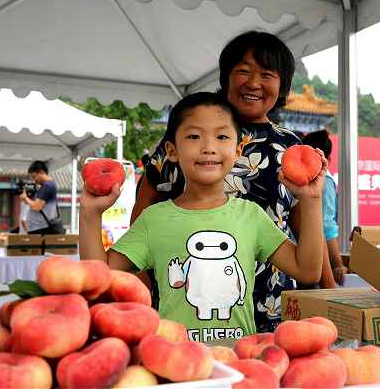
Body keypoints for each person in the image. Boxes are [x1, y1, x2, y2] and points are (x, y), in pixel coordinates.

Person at [130, 29, 335, 332]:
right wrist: (140, 273)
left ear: (282, 88)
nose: (253, 83)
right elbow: (147, 198)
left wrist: (329, 289)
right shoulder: (189, 133)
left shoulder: (292, 147)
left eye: (267, 74)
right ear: (226, 77)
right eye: (243, 71)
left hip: (271, 299)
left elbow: (305, 225)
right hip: (189, 296)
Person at [79, 92, 327, 341]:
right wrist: (90, 214)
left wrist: (312, 200)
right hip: (174, 363)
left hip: (238, 366)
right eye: (194, 136)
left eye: (221, 137)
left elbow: (307, 271)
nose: (209, 148)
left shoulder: (251, 215)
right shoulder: (152, 220)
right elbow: (99, 275)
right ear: (171, 150)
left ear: (238, 149)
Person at [302, 130, 350, 286]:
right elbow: (326, 226)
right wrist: (338, 264)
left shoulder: (291, 177)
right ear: (327, 158)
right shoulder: (325, 181)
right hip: (311, 260)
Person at [19, 161, 59, 235]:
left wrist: (25, 198)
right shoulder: (47, 185)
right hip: (40, 228)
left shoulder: (47, 186)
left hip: (41, 229)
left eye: (34, 176)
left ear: (41, 172)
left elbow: (36, 207)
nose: (33, 179)